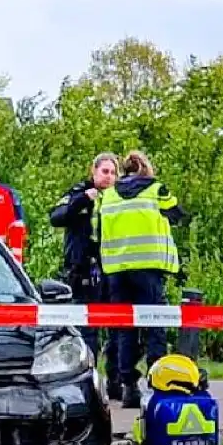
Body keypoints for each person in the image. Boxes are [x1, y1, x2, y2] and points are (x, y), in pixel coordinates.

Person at [95, 150, 186, 409]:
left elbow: (100, 230)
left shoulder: (108, 195)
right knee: (155, 325)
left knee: (125, 329)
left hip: (116, 271)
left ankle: (129, 387)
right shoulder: (156, 190)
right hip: (149, 267)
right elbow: (177, 214)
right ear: (147, 168)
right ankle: (158, 381)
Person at [50, 152, 121, 399]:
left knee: (116, 328)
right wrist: (82, 200)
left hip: (111, 268)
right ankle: (88, 383)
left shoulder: (120, 197)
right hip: (81, 269)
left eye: (113, 173)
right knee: (87, 328)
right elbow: (56, 217)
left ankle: (116, 382)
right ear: (94, 172)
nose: (108, 177)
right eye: (104, 171)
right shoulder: (81, 191)